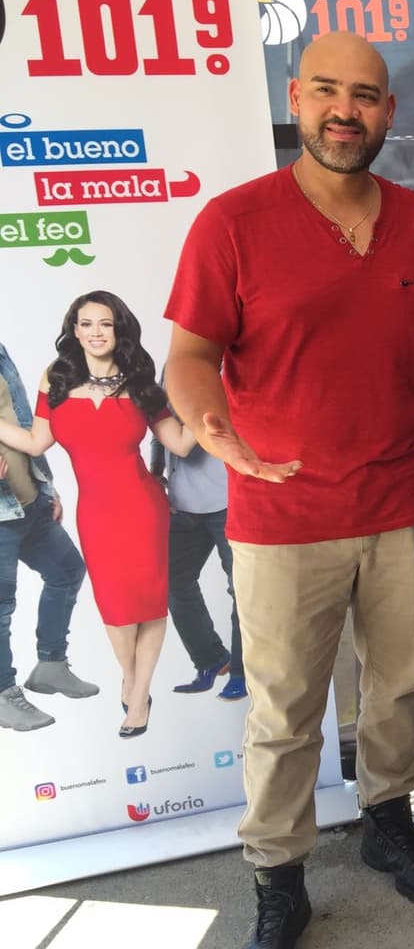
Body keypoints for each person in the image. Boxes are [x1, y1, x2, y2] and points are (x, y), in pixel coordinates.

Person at [162, 31, 414, 949]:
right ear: (296, 97)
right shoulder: (233, 220)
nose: (345, 111)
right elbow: (189, 358)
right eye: (327, 90)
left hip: (405, 499)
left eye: (365, 96)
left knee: (399, 688)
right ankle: (277, 871)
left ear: (389, 112)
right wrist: (216, 428)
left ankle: (386, 822)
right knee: (285, 707)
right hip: (283, 513)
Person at [0, 293, 196, 739]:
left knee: (149, 603)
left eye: (104, 324)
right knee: (116, 609)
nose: (94, 332)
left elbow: (181, 444)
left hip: (144, 507)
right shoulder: (58, 377)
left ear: (119, 328)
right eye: (84, 323)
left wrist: (210, 404)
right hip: (96, 511)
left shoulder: (142, 380)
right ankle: (131, 677)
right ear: (73, 328)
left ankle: (138, 693)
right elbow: (35, 442)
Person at [0, 342, 94, 732]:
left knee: (68, 571)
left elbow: (22, 416)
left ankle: (51, 665)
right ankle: (4, 695)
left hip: (30, 499)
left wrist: (48, 485)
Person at [149, 384, 244, 701]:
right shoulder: (171, 366)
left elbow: (182, 443)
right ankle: (211, 659)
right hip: (183, 501)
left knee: (241, 590)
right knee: (172, 580)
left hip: (228, 499)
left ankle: (243, 672)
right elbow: (160, 423)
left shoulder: (224, 366)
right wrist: (155, 470)